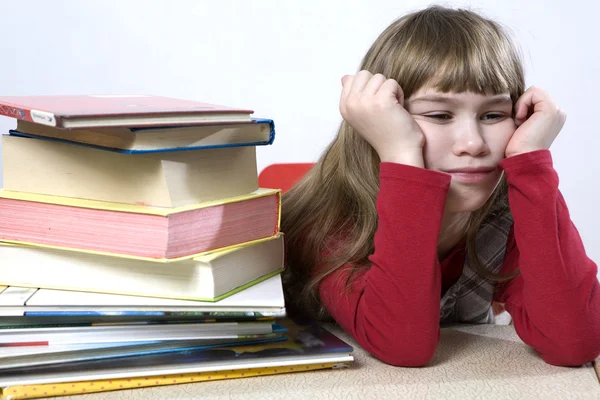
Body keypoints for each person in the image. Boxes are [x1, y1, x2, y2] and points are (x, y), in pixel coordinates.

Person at [281, 5, 600, 367]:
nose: (473, 143)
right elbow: (403, 346)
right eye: (439, 115)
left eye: (493, 115)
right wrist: (401, 154)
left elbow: (576, 342)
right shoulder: (328, 218)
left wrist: (531, 160)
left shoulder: (512, 213)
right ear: (380, 121)